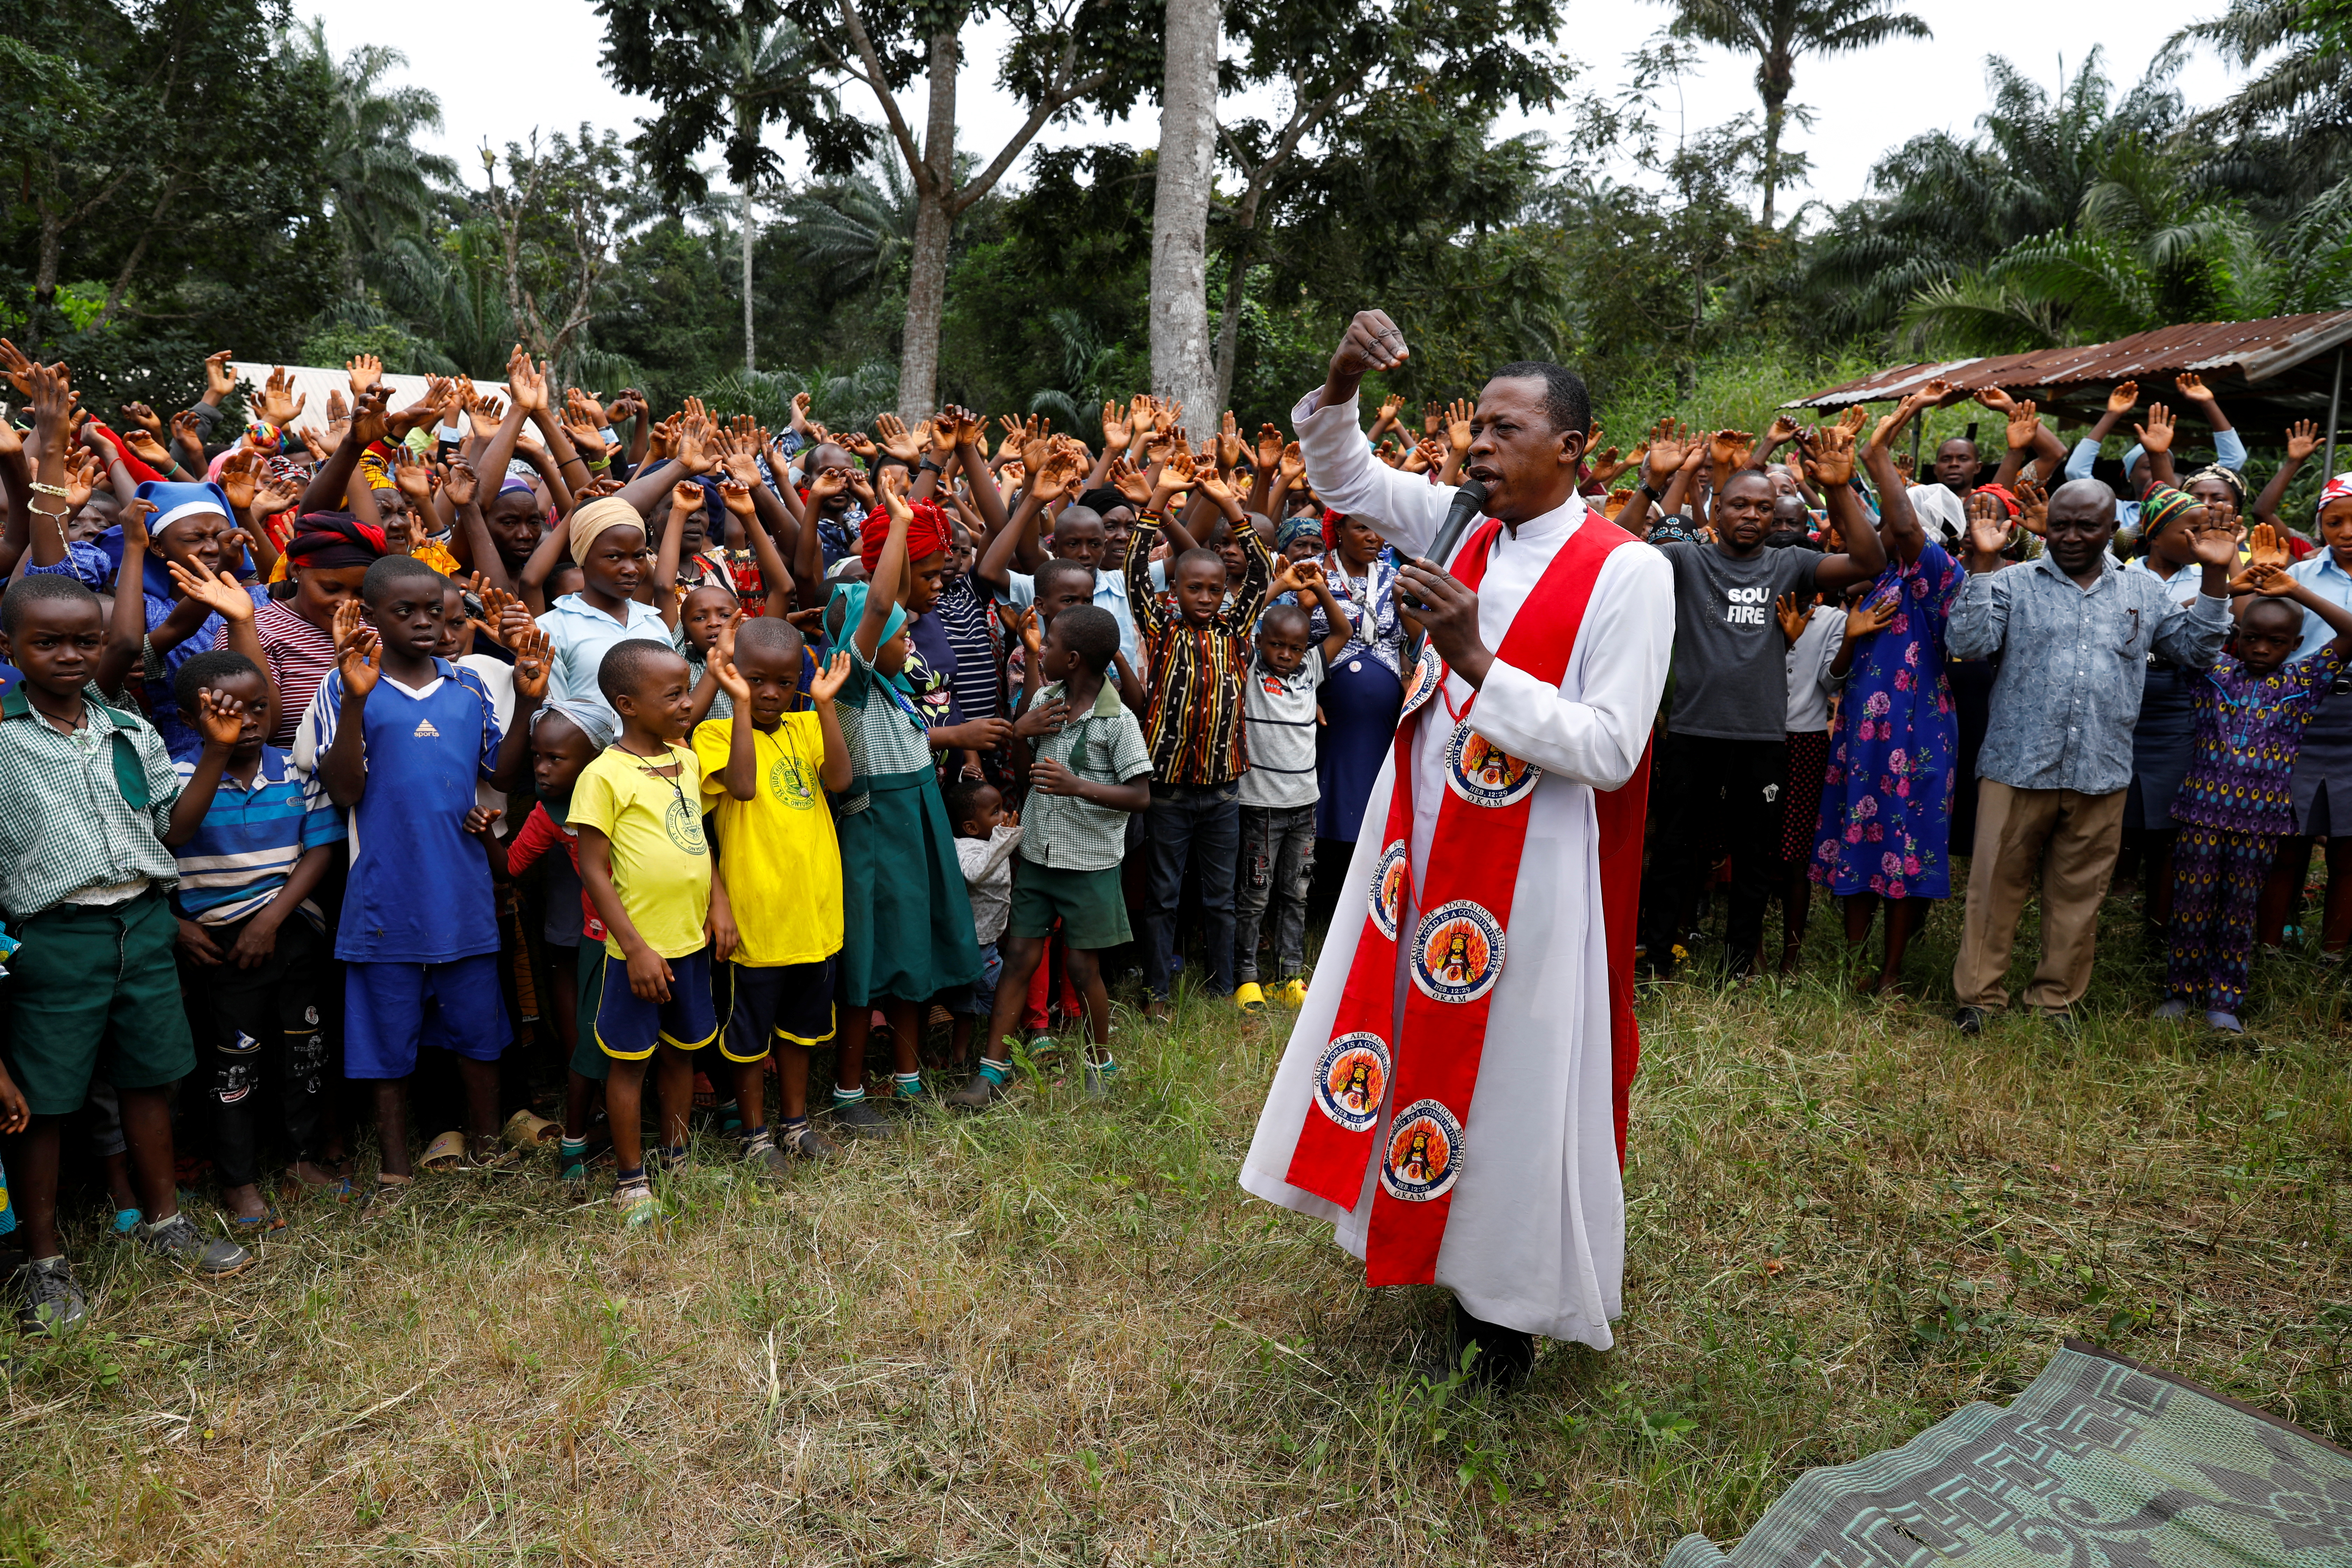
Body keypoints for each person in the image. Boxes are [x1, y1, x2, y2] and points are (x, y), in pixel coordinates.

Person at [1241, 310, 1673, 1383]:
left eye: (1503, 428)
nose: (1476, 446)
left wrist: (1475, 655)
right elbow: (1342, 474)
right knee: (1410, 1043)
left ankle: (1503, 1309)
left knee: (1509, 1078)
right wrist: (1339, 371)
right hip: (1419, 842)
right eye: (1473, 427)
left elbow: (1611, 747)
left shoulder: (1626, 572)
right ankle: (1412, 1234)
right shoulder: (1459, 522)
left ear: (1572, 446)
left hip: (1530, 870)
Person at [0, 573, 251, 1334]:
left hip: (141, 926)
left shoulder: (128, 728)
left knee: (151, 1076)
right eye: (48, 641)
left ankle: (165, 1217)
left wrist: (215, 751)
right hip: (51, 938)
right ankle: (42, 1261)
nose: (72, 655)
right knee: (41, 1105)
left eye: (88, 640)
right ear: (8, 647)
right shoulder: (5, 740)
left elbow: (172, 830)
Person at [1946, 479, 2236, 1031]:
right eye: (2061, 525)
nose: (2072, 537)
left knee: (2078, 896)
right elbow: (1968, 644)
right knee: (1993, 890)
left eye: (2087, 526)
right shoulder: (2012, 582)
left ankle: (2054, 1001)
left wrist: (2218, 576)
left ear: (2112, 530)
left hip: (2101, 769)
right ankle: (1979, 1000)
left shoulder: (2144, 591)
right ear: (2047, 524)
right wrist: (1980, 565)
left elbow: (2198, 652)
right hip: (2016, 764)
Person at [312, 555, 546, 1207]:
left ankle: (489, 1145)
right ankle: (394, 1171)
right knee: (386, 1041)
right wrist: (357, 701)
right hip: (385, 895)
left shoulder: (467, 687)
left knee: (479, 1031)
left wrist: (527, 704)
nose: (423, 623)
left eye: (436, 612)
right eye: (404, 612)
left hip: (462, 889)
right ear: (372, 616)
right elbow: (344, 789)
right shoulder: (346, 685)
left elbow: (500, 773)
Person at [1636, 419, 1890, 978]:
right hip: (1693, 733)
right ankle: (1657, 961)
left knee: (1756, 859)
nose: (1752, 515)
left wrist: (1840, 488)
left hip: (1761, 739)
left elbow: (1870, 564)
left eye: (1763, 508)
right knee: (1676, 851)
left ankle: (1736, 969)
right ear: (1717, 512)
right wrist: (1660, 482)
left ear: (1776, 516)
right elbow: (1629, 551)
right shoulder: (1688, 560)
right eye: (1740, 506)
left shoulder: (1791, 564)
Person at [824, 470, 984, 1132]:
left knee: (915, 952)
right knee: (868, 966)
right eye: (897, 637)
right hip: (876, 841)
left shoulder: (894, 691)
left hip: (917, 833)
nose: (908, 642)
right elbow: (877, 604)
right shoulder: (851, 688)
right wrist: (892, 525)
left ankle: (910, 1078)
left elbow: (889, 614)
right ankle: (851, 1093)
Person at [163, 650, 346, 1228]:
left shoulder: (297, 770)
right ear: (190, 720)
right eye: (227, 710)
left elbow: (319, 849)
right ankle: (238, 1181)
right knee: (232, 1066)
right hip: (219, 943)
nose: (247, 720)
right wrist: (179, 925)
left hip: (291, 928)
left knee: (304, 1050)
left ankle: (300, 1158)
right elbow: (157, 850)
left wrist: (271, 921)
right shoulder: (175, 778)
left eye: (259, 708)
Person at [949, 605, 1152, 1108]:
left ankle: (1099, 1064)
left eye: (1052, 645)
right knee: (1019, 957)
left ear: (1076, 659)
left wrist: (1077, 785)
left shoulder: (1118, 721)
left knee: (1084, 970)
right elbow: (1023, 771)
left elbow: (1142, 795)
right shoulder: (1044, 698)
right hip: (1039, 856)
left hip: (1090, 864)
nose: (1043, 650)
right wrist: (1025, 729)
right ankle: (990, 1074)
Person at [573, 640, 738, 1218]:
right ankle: (631, 1179)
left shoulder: (687, 760)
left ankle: (676, 1155)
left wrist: (719, 903)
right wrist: (637, 949)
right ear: (629, 704)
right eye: (674, 695)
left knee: (681, 1055)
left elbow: (699, 843)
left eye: (687, 690)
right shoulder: (604, 775)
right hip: (637, 954)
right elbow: (593, 869)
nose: (689, 703)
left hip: (691, 942)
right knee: (630, 1062)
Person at [1808, 393, 1965, 992]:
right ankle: (1854, 964)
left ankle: (1894, 971)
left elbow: (1901, 526)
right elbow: (1866, 532)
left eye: (1909, 525)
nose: (1892, 531)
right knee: (1861, 835)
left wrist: (1878, 453)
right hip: (1863, 736)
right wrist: (1837, 485)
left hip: (1918, 736)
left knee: (1908, 840)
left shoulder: (1941, 578)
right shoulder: (1878, 583)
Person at [2160, 564, 2352, 1030]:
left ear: (2295, 645)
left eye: (2277, 642)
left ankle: (2224, 1001)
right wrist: (2228, 591)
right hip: (2202, 814)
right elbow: (2161, 625)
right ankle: (2179, 994)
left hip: (2261, 823)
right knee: (2190, 906)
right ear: (2236, 637)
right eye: (2252, 638)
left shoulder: (2303, 683)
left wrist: (2297, 591)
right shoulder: (2211, 670)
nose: (2263, 648)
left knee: (2239, 913)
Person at [698, 619, 855, 1164]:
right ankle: (754, 1132)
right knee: (748, 1035)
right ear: (736, 674)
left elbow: (840, 781)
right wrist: (737, 706)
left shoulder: (806, 726)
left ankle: (794, 1122)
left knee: (800, 1030)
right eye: (757, 680)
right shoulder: (715, 734)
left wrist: (826, 706)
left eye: (784, 683)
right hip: (756, 917)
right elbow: (742, 786)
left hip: (812, 912)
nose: (770, 693)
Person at [1125, 451, 1277, 1015]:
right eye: (1195, 588)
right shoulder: (1160, 626)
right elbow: (1135, 571)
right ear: (1178, 589)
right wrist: (1159, 498)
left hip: (1222, 792)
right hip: (1167, 790)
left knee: (1220, 897)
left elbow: (1261, 570)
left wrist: (1230, 503)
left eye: (1215, 589)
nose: (1207, 598)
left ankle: (1220, 986)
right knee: (1163, 896)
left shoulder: (1236, 630)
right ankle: (1157, 989)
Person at [1234, 565, 1355, 1010]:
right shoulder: (1248, 667)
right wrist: (1282, 586)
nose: (1285, 654)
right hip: (1261, 805)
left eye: (1294, 647)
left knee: (1296, 891)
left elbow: (1342, 628)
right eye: (1277, 645)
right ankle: (1245, 974)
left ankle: (1290, 975)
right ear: (1262, 644)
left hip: (1304, 806)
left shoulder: (1311, 668)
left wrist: (1320, 589)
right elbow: (1242, 621)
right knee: (1255, 893)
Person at [2261, 475, 2352, 952]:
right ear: (2320, 524)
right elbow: (2256, 626)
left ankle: (2334, 952)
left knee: (2348, 848)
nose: (2347, 532)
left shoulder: (2302, 583)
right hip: (2302, 715)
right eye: (2335, 521)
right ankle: (2275, 942)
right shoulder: (2299, 573)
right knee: (2287, 840)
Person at [1310, 511, 1411, 866]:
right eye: (1362, 528)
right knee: (1328, 792)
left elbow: (1414, 640)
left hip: (1380, 717)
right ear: (1338, 529)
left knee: (1369, 794)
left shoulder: (1395, 577)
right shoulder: (1311, 572)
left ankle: (1356, 883)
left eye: (1380, 529)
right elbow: (1284, 632)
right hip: (1323, 708)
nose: (1374, 537)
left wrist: (1405, 602)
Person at [1770, 586, 1849, 973]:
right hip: (1758, 736)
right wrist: (1782, 641)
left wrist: (1802, 639)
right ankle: (1750, 952)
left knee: (1796, 855)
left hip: (1806, 740)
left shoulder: (1833, 620)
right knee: (1755, 846)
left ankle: (1791, 955)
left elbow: (1831, 681)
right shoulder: (1759, 607)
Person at [945, 777, 1023, 1067]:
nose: (1004, 816)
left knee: (966, 1005)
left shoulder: (988, 843)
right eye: (996, 812)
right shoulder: (966, 848)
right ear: (971, 827)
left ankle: (959, 1058)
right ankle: (1006, 1060)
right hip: (977, 949)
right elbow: (976, 873)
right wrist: (1004, 841)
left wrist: (1000, 840)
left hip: (983, 941)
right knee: (1004, 1003)